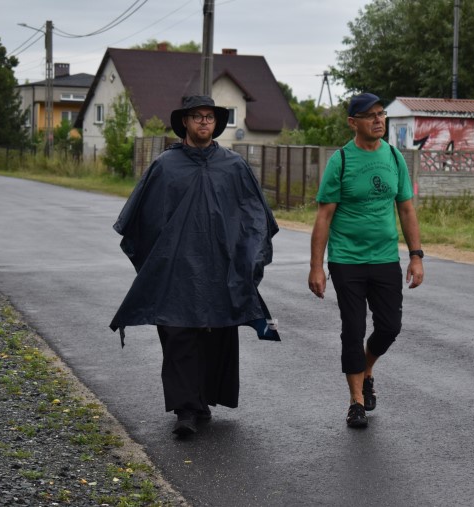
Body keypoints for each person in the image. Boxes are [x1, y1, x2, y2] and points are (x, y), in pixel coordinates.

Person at [110, 95, 280, 437]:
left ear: (216, 123)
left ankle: (201, 400)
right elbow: (141, 222)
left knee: (216, 331)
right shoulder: (164, 167)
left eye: (210, 117)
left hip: (221, 269)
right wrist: (156, 265)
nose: (204, 122)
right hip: (175, 271)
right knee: (178, 333)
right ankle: (184, 410)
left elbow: (255, 218)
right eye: (197, 116)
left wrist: (249, 260)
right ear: (185, 122)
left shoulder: (234, 166)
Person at [308, 92, 424, 428]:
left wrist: (416, 256)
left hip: (386, 257)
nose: (378, 121)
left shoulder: (393, 157)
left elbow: (406, 208)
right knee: (353, 328)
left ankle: (367, 368)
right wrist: (317, 266)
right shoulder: (340, 161)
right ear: (353, 122)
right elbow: (324, 216)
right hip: (346, 260)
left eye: (381, 115)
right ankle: (356, 401)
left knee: (389, 327)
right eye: (370, 115)